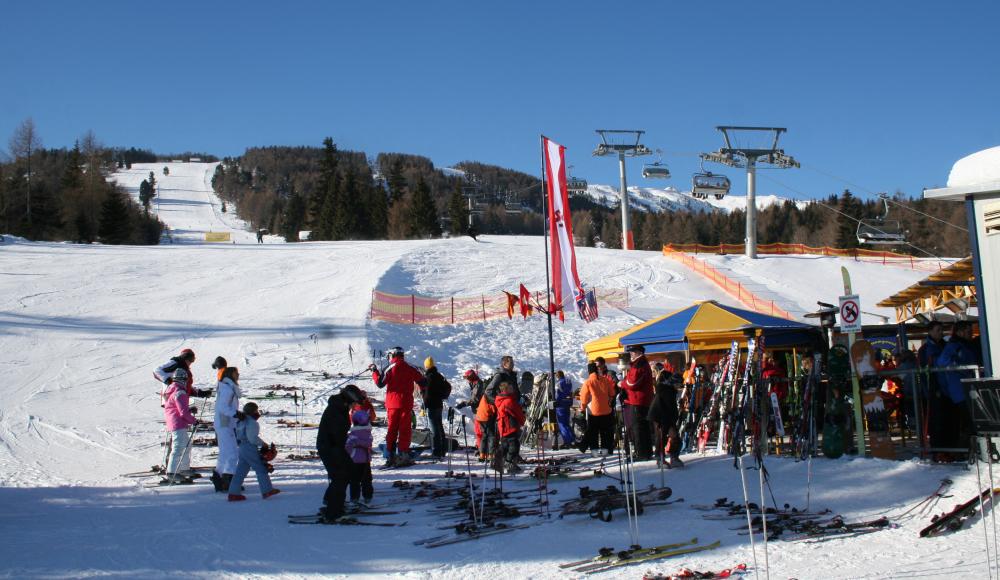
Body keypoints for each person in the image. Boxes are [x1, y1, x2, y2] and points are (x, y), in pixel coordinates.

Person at [369, 347, 427, 467]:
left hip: (393, 404)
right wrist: (422, 392)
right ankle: (403, 454)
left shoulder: (390, 367)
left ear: (393, 355)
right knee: (405, 430)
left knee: (392, 430)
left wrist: (374, 371)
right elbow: (422, 381)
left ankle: (390, 455)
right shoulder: (410, 367)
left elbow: (380, 383)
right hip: (406, 404)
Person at [316, 384, 366, 521]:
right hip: (330, 447)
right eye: (354, 403)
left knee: (345, 473)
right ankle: (333, 512)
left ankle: (331, 503)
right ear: (349, 399)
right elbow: (336, 434)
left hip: (333, 446)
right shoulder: (337, 410)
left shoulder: (340, 407)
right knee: (341, 476)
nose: (354, 407)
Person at [934, 321, 981, 459]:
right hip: (960, 390)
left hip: (968, 388)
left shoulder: (966, 345)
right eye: (968, 331)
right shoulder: (954, 345)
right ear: (960, 332)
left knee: (969, 421)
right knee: (968, 422)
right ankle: (965, 452)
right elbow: (942, 362)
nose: (970, 334)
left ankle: (968, 451)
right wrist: (963, 369)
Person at [227, 402, 280, 501]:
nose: (258, 412)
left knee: (240, 471)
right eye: (256, 410)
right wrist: (264, 444)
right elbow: (252, 438)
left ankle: (233, 493)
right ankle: (267, 490)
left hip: (242, 448)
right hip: (249, 447)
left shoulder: (241, 421)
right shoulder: (252, 422)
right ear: (253, 411)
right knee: (261, 469)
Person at [163, 367, 198, 482]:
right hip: (177, 423)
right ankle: (172, 472)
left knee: (186, 445)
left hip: (175, 421)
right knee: (178, 447)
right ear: (183, 379)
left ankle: (183, 468)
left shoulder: (172, 390)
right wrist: (193, 420)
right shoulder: (180, 392)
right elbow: (183, 412)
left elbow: (178, 408)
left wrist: (189, 410)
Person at [620, 344, 655, 460]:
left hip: (638, 400)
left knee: (638, 428)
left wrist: (622, 384)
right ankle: (646, 452)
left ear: (639, 352)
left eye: (633, 352)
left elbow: (632, 383)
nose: (631, 354)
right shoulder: (640, 363)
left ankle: (641, 453)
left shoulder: (639, 365)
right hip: (641, 399)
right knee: (643, 427)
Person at [212, 366, 241, 493]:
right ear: (230, 375)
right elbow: (223, 407)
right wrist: (236, 414)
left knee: (224, 453)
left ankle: (218, 477)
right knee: (232, 453)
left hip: (225, 423)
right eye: (236, 373)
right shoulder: (228, 389)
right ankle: (228, 479)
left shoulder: (226, 387)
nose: (238, 375)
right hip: (225, 424)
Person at [579, 361, 616, 455]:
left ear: (589, 371)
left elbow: (583, 398)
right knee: (606, 432)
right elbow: (612, 393)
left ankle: (594, 450)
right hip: (607, 410)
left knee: (593, 432)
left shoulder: (588, 382)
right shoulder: (605, 380)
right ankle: (606, 450)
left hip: (594, 411)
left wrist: (582, 408)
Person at [648, 370, 683, 468]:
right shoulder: (666, 391)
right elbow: (665, 408)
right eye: (678, 384)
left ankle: (674, 457)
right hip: (659, 417)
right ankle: (660, 458)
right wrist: (666, 422)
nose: (679, 387)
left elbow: (671, 409)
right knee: (661, 438)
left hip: (667, 417)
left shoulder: (670, 391)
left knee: (675, 437)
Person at [422, 357, 453, 458]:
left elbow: (427, 394)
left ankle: (437, 451)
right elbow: (447, 387)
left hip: (431, 406)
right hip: (439, 405)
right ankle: (443, 449)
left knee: (434, 429)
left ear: (426, 366)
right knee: (439, 427)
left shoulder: (429, 377)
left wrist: (424, 407)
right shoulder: (439, 375)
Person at [345, 409, 374, 509]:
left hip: (354, 460)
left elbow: (348, 446)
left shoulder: (352, 435)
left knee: (354, 480)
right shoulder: (368, 433)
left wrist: (346, 455)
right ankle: (368, 496)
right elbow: (369, 443)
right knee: (367, 479)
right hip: (366, 460)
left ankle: (355, 498)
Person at [494, 382, 525, 474]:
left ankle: (500, 462)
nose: (513, 390)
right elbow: (518, 413)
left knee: (505, 446)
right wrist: (523, 420)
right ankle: (509, 463)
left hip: (503, 427)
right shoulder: (509, 401)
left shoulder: (501, 399)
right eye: (511, 388)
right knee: (514, 446)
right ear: (505, 390)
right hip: (510, 426)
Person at [462, 369, 487, 449]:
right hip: (477, 410)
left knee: (479, 430)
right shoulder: (474, 384)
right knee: (478, 429)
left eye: (467, 378)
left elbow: (475, 398)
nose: (467, 380)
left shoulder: (478, 384)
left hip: (480, 410)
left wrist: (465, 403)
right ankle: (479, 445)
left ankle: (481, 447)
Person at [476, 378, 498, 461]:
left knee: (484, 436)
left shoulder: (486, 393)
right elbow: (493, 407)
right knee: (491, 436)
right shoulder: (490, 394)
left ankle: (482, 454)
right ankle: (490, 455)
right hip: (486, 417)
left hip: (480, 416)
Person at [554, 370, 576, 448]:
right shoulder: (568, 382)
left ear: (558, 376)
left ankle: (568, 442)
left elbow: (558, 394)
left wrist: (556, 402)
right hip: (568, 403)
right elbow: (571, 393)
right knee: (566, 423)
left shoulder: (559, 383)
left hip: (561, 405)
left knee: (562, 424)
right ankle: (572, 439)